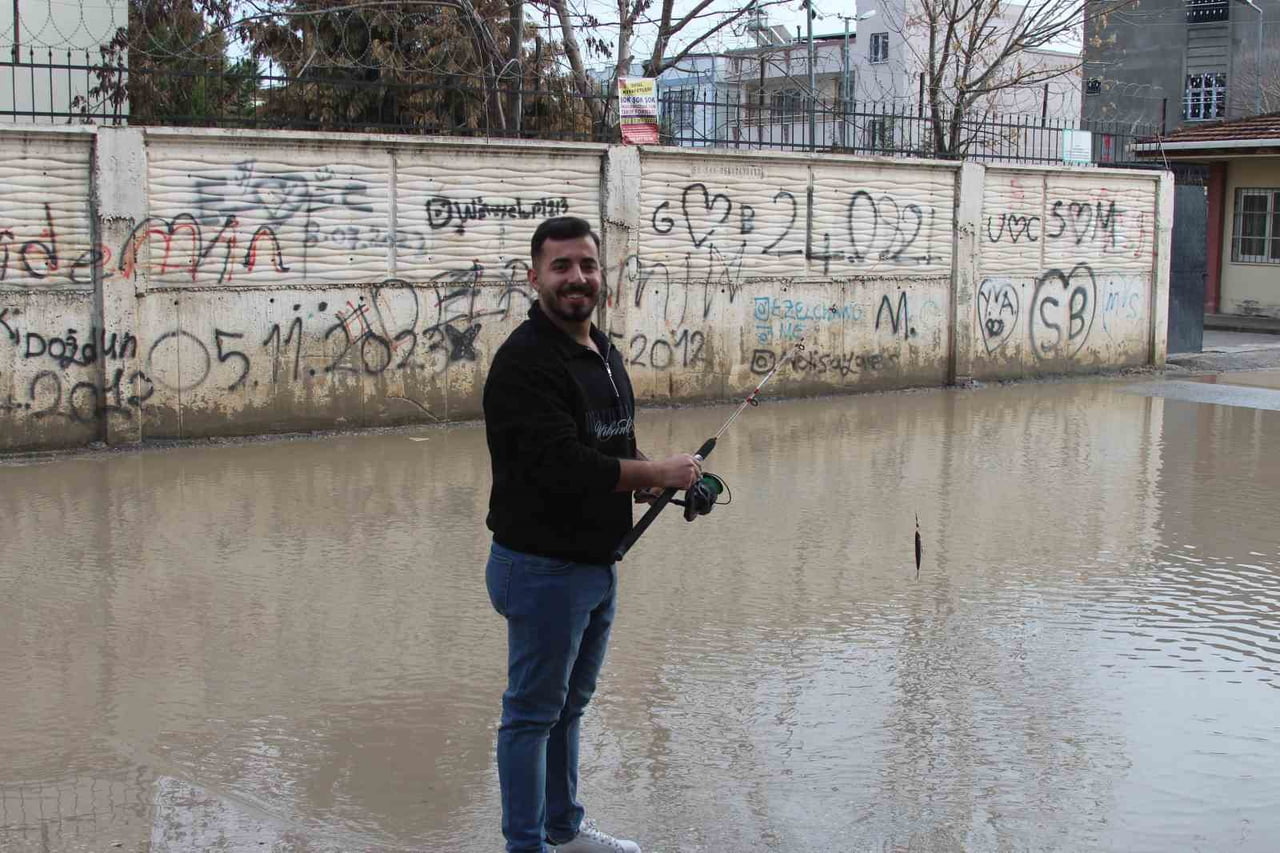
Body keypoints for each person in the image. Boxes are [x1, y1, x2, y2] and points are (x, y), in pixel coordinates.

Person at [482, 216, 701, 853]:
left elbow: (611, 448)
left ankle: (564, 829)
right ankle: (526, 847)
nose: (577, 277)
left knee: (568, 706)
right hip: (541, 568)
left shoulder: (601, 353)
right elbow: (562, 465)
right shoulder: (524, 364)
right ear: (534, 277)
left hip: (595, 564)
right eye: (561, 266)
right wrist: (657, 469)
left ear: (601, 274)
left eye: (587, 265)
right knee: (530, 715)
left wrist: (652, 485)